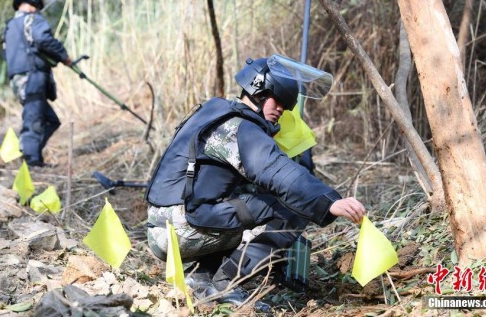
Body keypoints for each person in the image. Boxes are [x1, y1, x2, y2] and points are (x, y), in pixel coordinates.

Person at [144, 56, 366, 312]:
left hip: (166, 223)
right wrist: (329, 201)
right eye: (278, 99)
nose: (283, 108)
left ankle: (201, 278)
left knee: (253, 196)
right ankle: (227, 282)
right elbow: (276, 171)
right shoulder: (240, 128)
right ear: (258, 89)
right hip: (181, 229)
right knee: (291, 208)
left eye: (287, 103)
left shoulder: (214, 111)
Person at [3, 0, 72, 167]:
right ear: (33, 4)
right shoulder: (33, 20)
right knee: (33, 118)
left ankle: (29, 152)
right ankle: (31, 160)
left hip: (17, 80)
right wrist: (64, 56)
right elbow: (44, 39)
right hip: (33, 76)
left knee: (51, 120)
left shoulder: (9, 26)